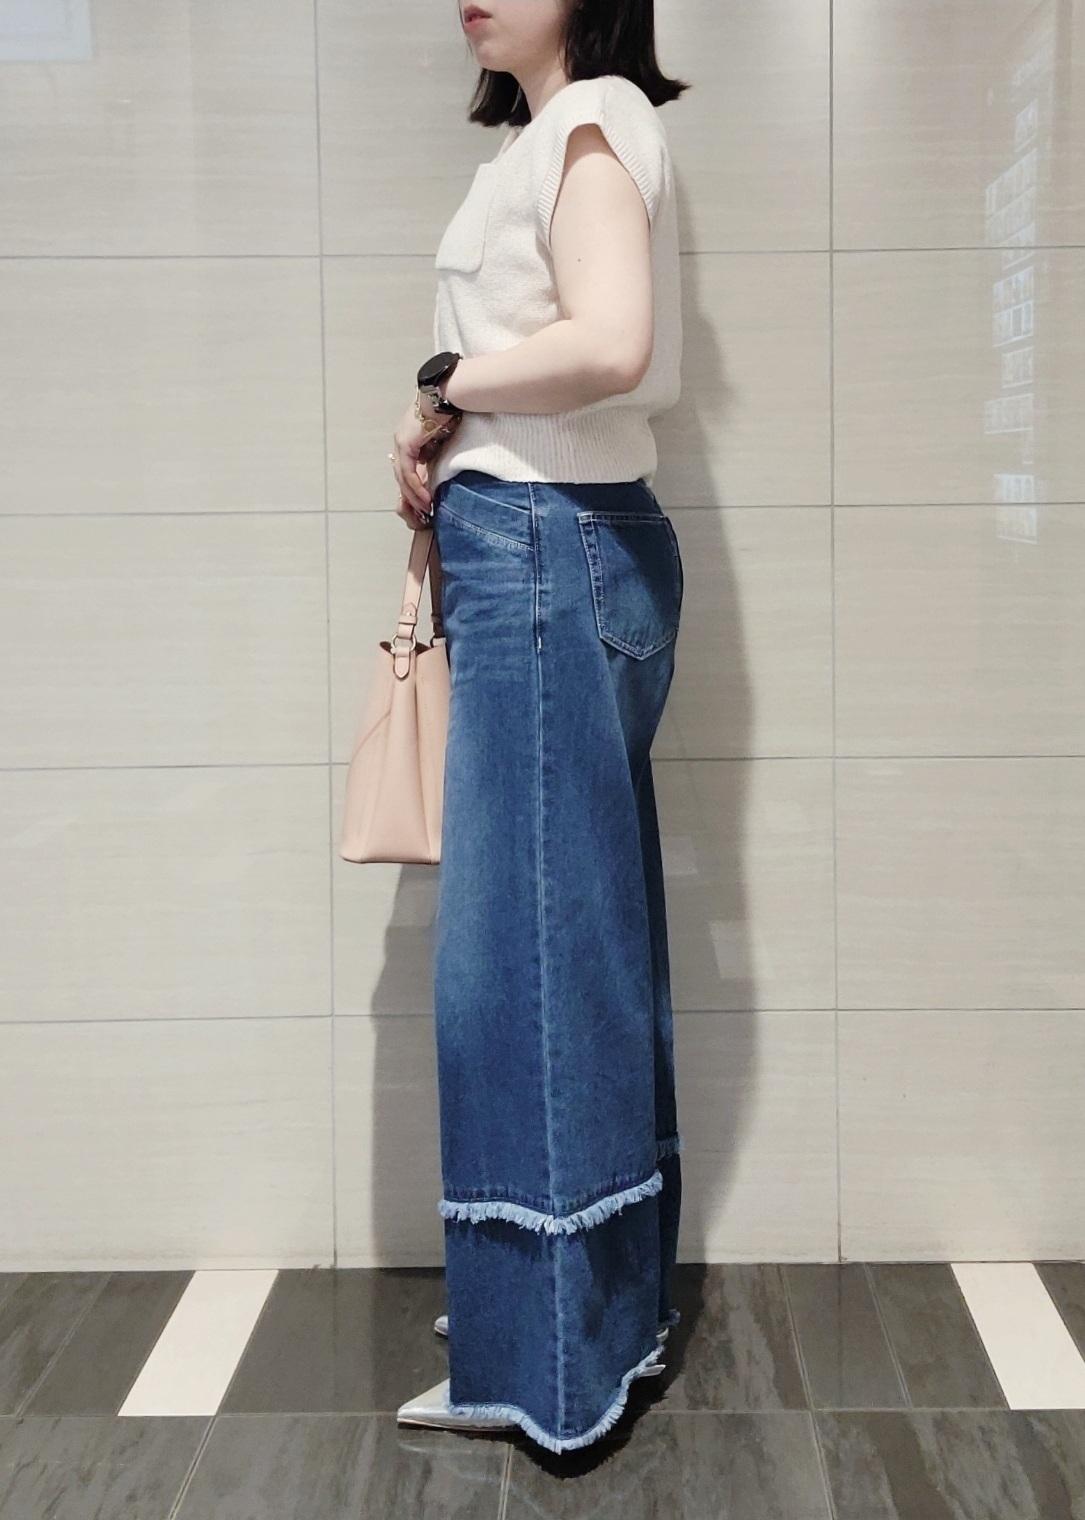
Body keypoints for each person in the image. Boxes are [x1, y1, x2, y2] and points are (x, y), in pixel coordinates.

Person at [388, 0, 689, 1455]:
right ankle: (599, 1312)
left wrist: (444, 389)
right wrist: (441, 427)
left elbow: (610, 340)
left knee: (519, 965)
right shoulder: (551, 137)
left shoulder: (589, 118)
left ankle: (549, 1368)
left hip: (542, 550)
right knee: (575, 945)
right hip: (559, 545)